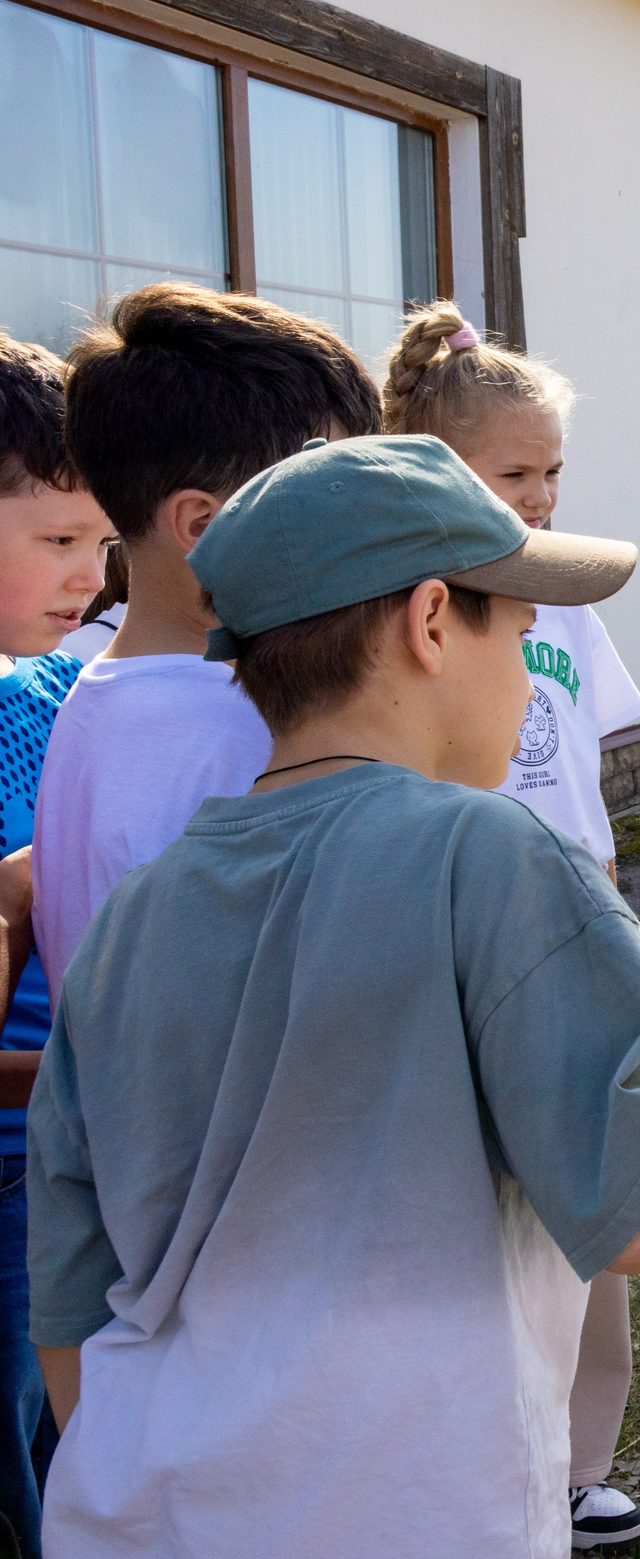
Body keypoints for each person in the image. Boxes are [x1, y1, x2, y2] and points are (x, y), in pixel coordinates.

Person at [25, 435, 640, 1557]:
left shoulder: (134, 915)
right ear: (431, 622)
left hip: (130, 1508)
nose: (535, 666)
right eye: (525, 631)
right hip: (406, 1514)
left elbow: (70, 1298)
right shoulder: (484, 853)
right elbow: (632, 1197)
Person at [380, 303, 640, 1548]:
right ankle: (486, 1453)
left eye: (552, 471)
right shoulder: (406, 612)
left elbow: (585, 772)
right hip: (464, 930)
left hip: (575, 914)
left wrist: (612, 897)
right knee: (483, 1206)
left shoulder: (567, 599)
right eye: (514, 473)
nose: (540, 497)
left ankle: (580, 1463)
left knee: (586, 1196)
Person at [31, 283, 379, 982]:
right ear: (203, 526)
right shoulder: (252, 731)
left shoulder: (101, 700)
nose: (362, 529)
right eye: (333, 495)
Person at [0, 335, 115, 1559]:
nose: (93, 573)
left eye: (102, 539)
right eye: (60, 538)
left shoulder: (55, 700)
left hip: (58, 1165)